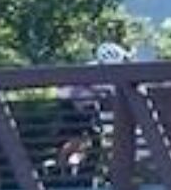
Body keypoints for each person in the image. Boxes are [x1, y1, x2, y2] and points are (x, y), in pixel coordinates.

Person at [55, 41, 132, 180]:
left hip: (81, 107)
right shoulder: (96, 72)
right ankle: (66, 170)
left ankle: (71, 170)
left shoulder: (95, 70)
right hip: (79, 108)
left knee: (88, 141)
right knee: (86, 141)